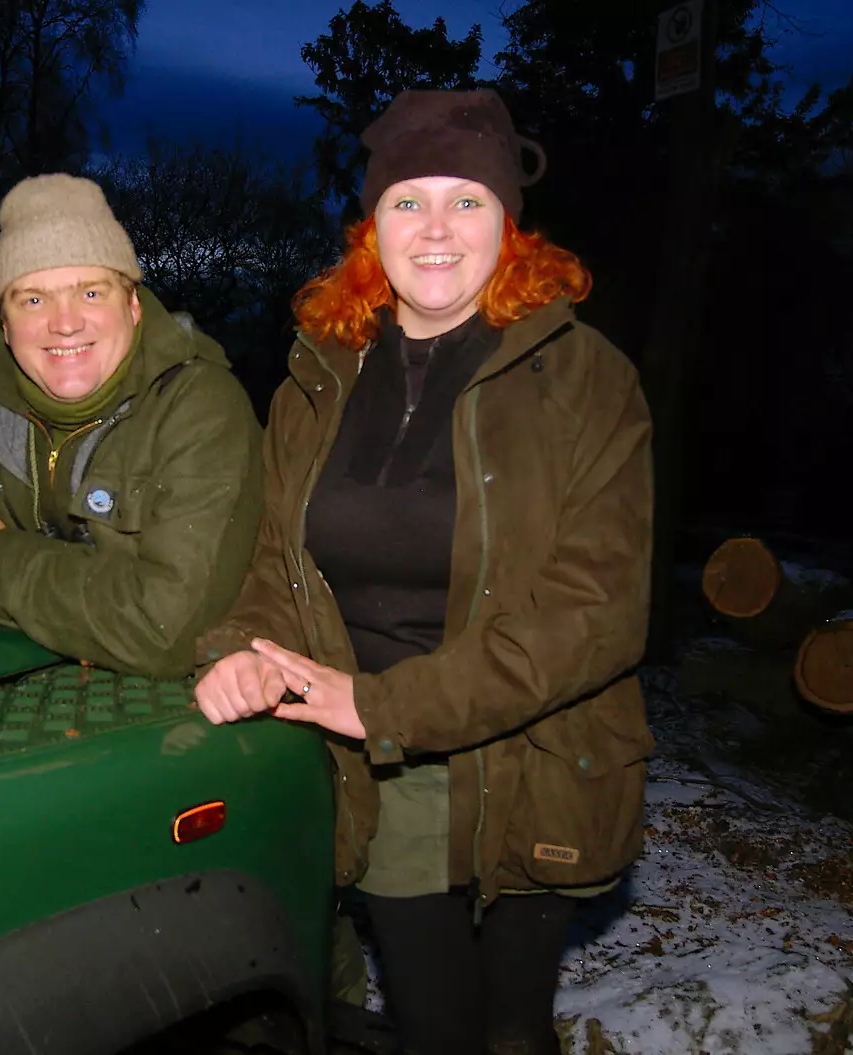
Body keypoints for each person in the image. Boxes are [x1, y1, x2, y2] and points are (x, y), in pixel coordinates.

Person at [193, 90, 655, 1055]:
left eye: (468, 200)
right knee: (435, 1029)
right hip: (383, 768)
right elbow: (276, 563)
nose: (436, 227)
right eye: (408, 201)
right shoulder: (318, 379)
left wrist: (391, 705)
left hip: (536, 754)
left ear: (510, 229)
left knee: (514, 1030)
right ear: (372, 231)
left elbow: (600, 609)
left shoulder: (584, 377)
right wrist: (242, 645)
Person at [0, 173, 262, 678]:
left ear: (132, 305)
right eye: (33, 299)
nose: (64, 323)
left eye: (90, 293)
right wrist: (60, 609)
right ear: (4, 323)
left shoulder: (199, 408)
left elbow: (166, 631)